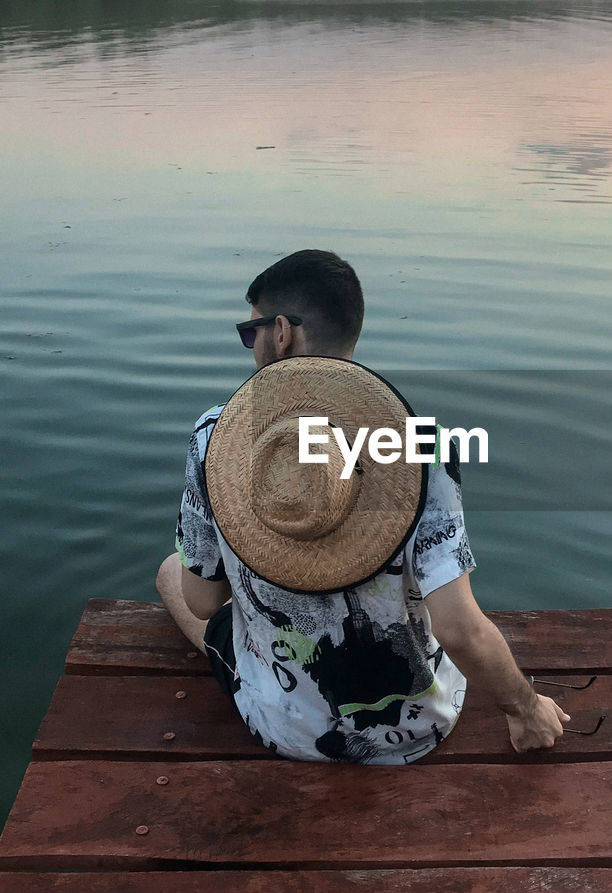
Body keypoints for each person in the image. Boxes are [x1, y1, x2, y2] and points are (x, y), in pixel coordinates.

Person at [156, 248, 570, 762]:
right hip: (423, 726)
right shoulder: (425, 445)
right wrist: (526, 709)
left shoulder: (214, 437)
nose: (251, 344)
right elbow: (459, 626)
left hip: (286, 731)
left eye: (251, 331)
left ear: (281, 331)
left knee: (173, 570)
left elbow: (201, 601)